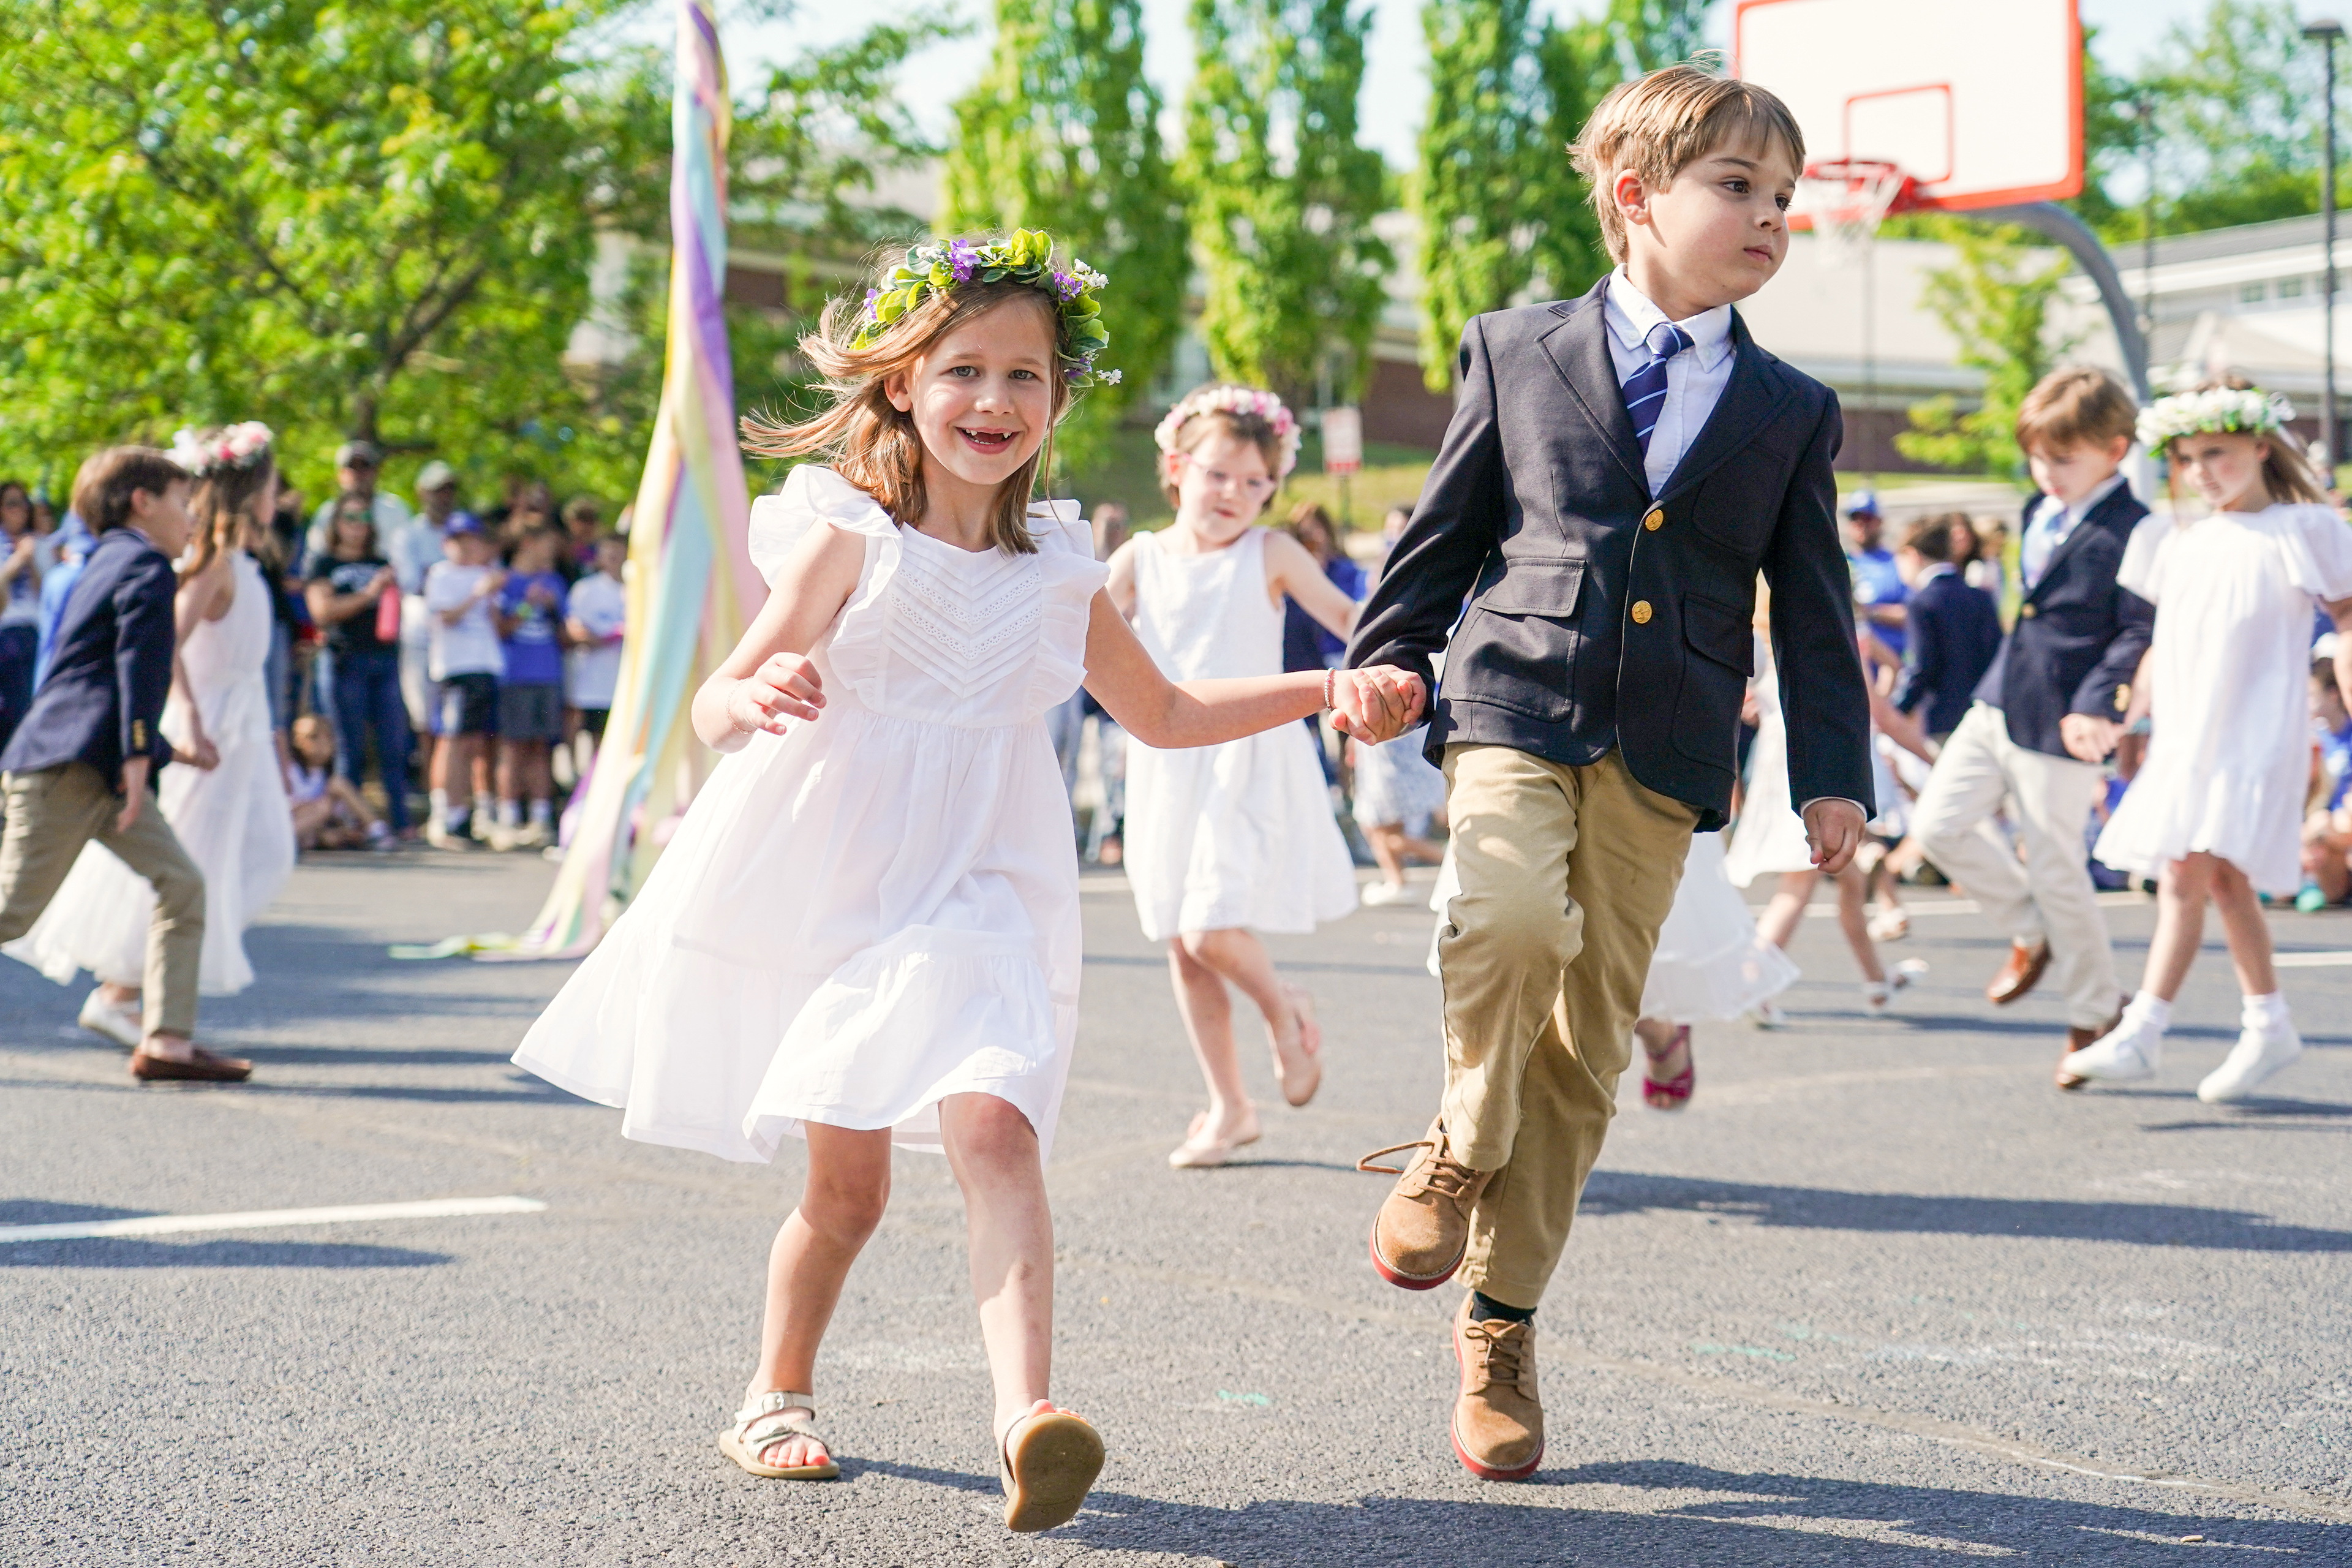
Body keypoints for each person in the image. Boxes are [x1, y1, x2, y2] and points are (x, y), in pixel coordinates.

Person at [506, 233, 1421, 1528]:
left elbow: (1157, 707)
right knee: (850, 1189)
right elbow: (715, 696)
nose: (993, 402)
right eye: (964, 371)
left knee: (997, 1126)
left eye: (1025, 377)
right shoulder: (847, 538)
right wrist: (747, 689)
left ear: (1060, 396)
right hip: (847, 883)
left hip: (989, 877)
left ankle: (1027, 1418)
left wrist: (1322, 686)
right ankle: (776, 1388)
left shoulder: (1059, 565)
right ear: (900, 384)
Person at [1344, 64, 1872, 1483]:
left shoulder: (1787, 406)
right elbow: (1441, 530)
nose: (1769, 217)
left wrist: (1828, 771)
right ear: (1634, 197)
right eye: (1737, 189)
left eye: (1782, 196)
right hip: (1513, 695)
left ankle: (1499, 1327)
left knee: (1585, 1048)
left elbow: (1812, 604)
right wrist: (1385, 655)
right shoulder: (1512, 346)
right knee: (1506, 917)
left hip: (1671, 739)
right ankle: (1454, 1141)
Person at [2070, 381, 2352, 1103]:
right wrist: (2137, 720)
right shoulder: (2175, 538)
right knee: (2220, 879)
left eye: (2216, 453)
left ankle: (2145, 1028)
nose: (2202, 471)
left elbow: (2348, 618)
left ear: (2261, 446)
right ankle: (2268, 1024)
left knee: (2185, 872)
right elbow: (2159, 645)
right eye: (2188, 458)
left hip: (2256, 730)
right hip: (2187, 734)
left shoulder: (2305, 528)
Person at [1111, 384, 1366, 1169]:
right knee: (1184, 948)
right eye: (1219, 475)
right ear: (1177, 466)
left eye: (1257, 484)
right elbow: (1075, 635)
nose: (1236, 495)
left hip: (1245, 756)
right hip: (1165, 761)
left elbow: (1353, 623)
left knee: (1208, 927)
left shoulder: (1271, 552)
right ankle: (1230, 1106)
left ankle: (1284, 1014)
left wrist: (1398, 666)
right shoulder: (1140, 559)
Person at [10, 423, 298, 1043]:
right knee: (11, 910)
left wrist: (150, 752)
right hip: (75, 766)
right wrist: (145, 753)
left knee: (183, 885)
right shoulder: (143, 563)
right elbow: (137, 661)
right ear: (142, 502)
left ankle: (168, 1040)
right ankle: (147, 1020)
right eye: (178, 500)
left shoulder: (117, 558)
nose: (191, 514)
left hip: (104, 763)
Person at [1907, 368, 2150, 1086]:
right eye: (2038, 456)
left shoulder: (2136, 530)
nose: (2047, 471)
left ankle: (2093, 1012)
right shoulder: (2035, 508)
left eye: (2063, 457)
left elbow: (2137, 633)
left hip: (2070, 718)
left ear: (2115, 448)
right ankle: (2032, 930)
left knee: (2058, 866)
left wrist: (2100, 704)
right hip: (1999, 698)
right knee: (1937, 826)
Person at [1725, 619, 1922, 1011]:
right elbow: (1877, 710)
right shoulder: (1830, 631)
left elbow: (1747, 700)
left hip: (1781, 768)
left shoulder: (1760, 632)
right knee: (1800, 886)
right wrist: (1930, 759)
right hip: (1813, 774)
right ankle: (1752, 982)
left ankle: (1876, 981)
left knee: (1850, 880)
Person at [303, 494, 409, 844]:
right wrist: (369, 594)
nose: (357, 524)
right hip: (344, 660)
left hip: (384, 658)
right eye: (349, 517)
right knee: (348, 747)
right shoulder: (323, 564)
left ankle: (401, 821)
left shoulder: (381, 561)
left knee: (395, 744)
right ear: (336, 523)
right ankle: (354, 822)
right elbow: (323, 611)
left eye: (363, 516)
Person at [423, 514, 505, 848]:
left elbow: (498, 626)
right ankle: (446, 814)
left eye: (472, 538)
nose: (466, 545)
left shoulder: (487, 574)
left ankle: (466, 813)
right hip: (458, 668)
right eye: (459, 539)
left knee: (473, 742)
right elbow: (447, 618)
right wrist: (478, 594)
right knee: (452, 740)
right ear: (447, 544)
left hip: (486, 665)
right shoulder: (441, 576)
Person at [488, 526, 568, 849]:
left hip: (548, 676)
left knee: (541, 748)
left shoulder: (556, 583)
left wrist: (549, 608)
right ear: (529, 543)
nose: (551, 554)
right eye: (547, 546)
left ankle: (540, 819)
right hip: (515, 677)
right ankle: (508, 820)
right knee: (513, 748)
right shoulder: (504, 582)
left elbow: (564, 636)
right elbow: (501, 630)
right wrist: (526, 605)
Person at [1893, 512, 2003, 743]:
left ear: (1912, 556)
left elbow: (1921, 665)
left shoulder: (1921, 602)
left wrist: (1899, 709)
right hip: (1984, 715)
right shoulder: (1981, 597)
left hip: (1942, 719)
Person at [1281, 502, 1366, 781]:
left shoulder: (1344, 570)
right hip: (1301, 658)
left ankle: (1347, 782)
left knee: (1345, 726)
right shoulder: (1286, 572)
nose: (1314, 539)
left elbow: (1350, 612)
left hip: (1339, 656)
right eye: (1305, 533)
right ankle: (1325, 782)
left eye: (1317, 530)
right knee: (1306, 728)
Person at [402, 461, 466, 733]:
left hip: (460, 636)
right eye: (438, 490)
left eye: (449, 489)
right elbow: (412, 582)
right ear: (422, 492)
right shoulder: (409, 534)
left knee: (456, 719)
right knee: (423, 717)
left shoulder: (465, 533)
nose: (444, 496)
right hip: (421, 635)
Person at [563, 532, 628, 778]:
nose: (612, 557)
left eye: (618, 552)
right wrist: (611, 637)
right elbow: (574, 630)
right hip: (593, 684)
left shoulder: (637, 588)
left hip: (624, 683)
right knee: (591, 739)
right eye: (607, 552)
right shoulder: (586, 589)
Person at [2297, 646, 2352, 910]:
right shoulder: (2314, 738)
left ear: (2333, 695)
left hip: (2343, 823)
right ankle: (2304, 881)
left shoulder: (2349, 737)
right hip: (2323, 826)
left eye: (2311, 694)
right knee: (2316, 824)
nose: (2306, 702)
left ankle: (2307, 881)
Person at [287, 712, 383, 850]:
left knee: (330, 834)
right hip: (290, 822)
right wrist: (317, 808)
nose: (321, 744)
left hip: (314, 828)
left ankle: (377, 830)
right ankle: (283, 840)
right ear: (298, 741)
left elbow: (337, 815)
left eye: (327, 737)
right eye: (313, 737)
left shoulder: (324, 775)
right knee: (324, 807)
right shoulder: (290, 770)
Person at [0, 479, 43, 752]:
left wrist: (30, 559)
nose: (19, 510)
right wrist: (18, 560)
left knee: (29, 707)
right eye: (11, 503)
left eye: (23, 503)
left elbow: (45, 594)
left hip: (34, 630)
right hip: (7, 633)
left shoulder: (37, 543)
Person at [1844, 491, 1909, 658]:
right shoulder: (1841, 563)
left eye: (1867, 518)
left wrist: (1869, 612)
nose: (1861, 524)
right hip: (1854, 663)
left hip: (1894, 660)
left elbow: (1913, 614)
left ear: (1879, 522)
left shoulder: (1897, 563)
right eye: (1855, 519)